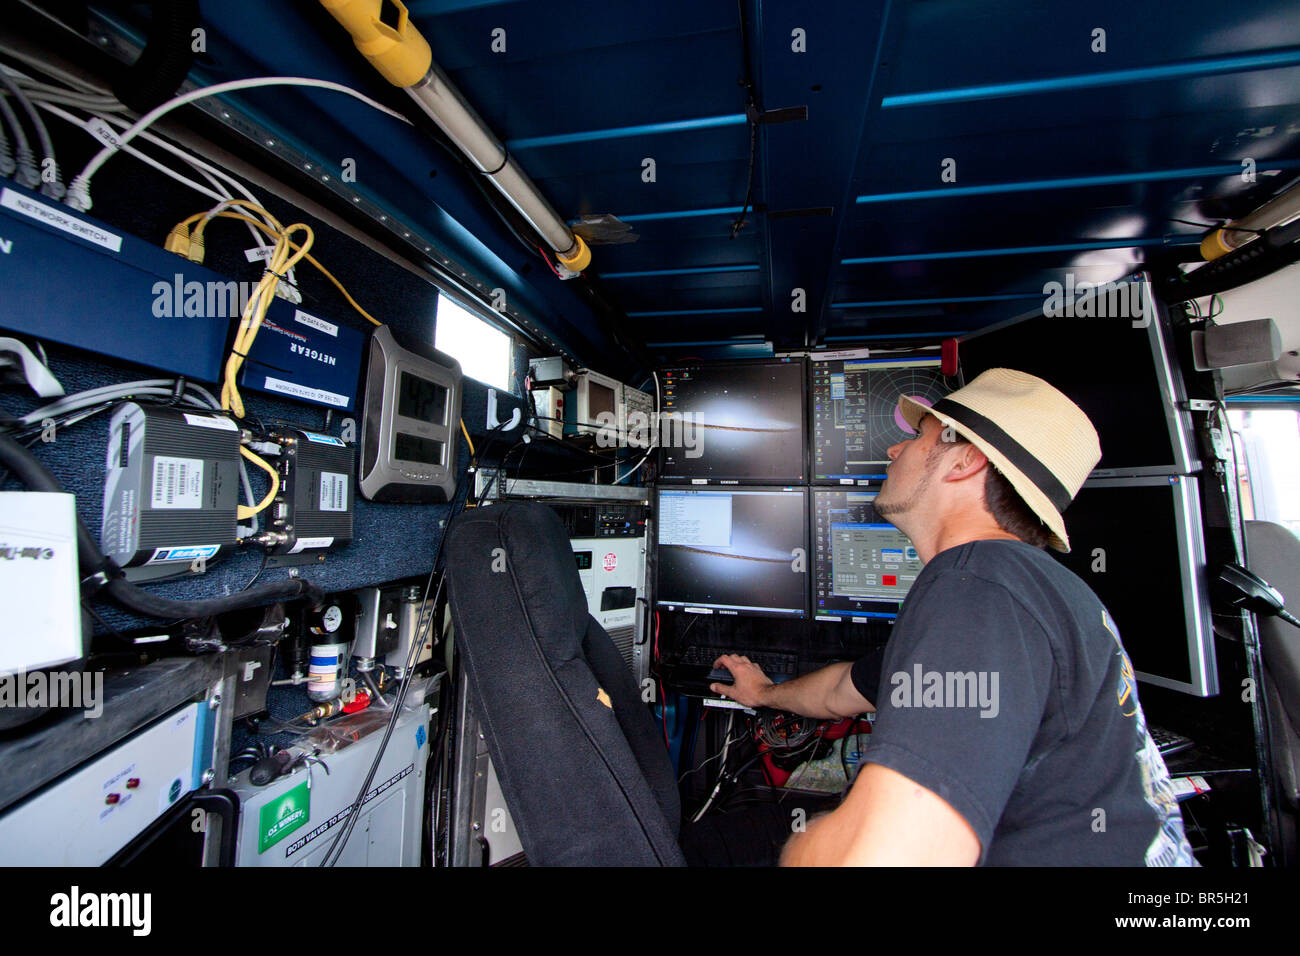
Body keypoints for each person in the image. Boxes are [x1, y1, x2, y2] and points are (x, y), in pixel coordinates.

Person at [710, 368, 1196, 866]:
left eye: (918, 437)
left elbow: (887, 857)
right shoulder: (1024, 584)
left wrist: (808, 846)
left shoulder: (979, 586)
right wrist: (764, 693)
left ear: (965, 461)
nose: (894, 452)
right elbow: (842, 690)